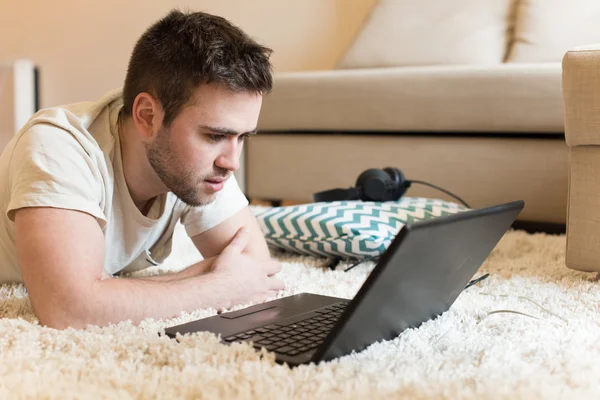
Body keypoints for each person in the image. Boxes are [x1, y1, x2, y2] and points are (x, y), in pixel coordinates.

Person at [0, 9, 285, 329]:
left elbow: (256, 269)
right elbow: (68, 310)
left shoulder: (202, 168)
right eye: (215, 135)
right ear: (148, 117)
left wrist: (103, 291)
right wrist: (216, 286)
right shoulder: (57, 147)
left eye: (242, 137)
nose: (231, 162)